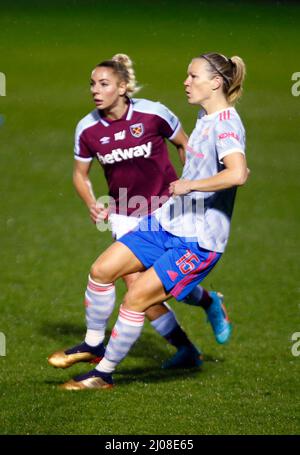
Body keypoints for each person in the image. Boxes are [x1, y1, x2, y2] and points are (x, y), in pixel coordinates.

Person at [49, 53, 232, 380]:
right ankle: (185, 348)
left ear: (122, 87)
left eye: (103, 83)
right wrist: (93, 202)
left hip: (167, 210)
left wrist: (192, 188)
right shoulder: (88, 128)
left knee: (160, 288)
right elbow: (80, 174)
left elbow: (185, 145)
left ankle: (207, 304)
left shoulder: (153, 113)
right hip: (125, 214)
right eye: (92, 84)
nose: (95, 90)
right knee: (139, 290)